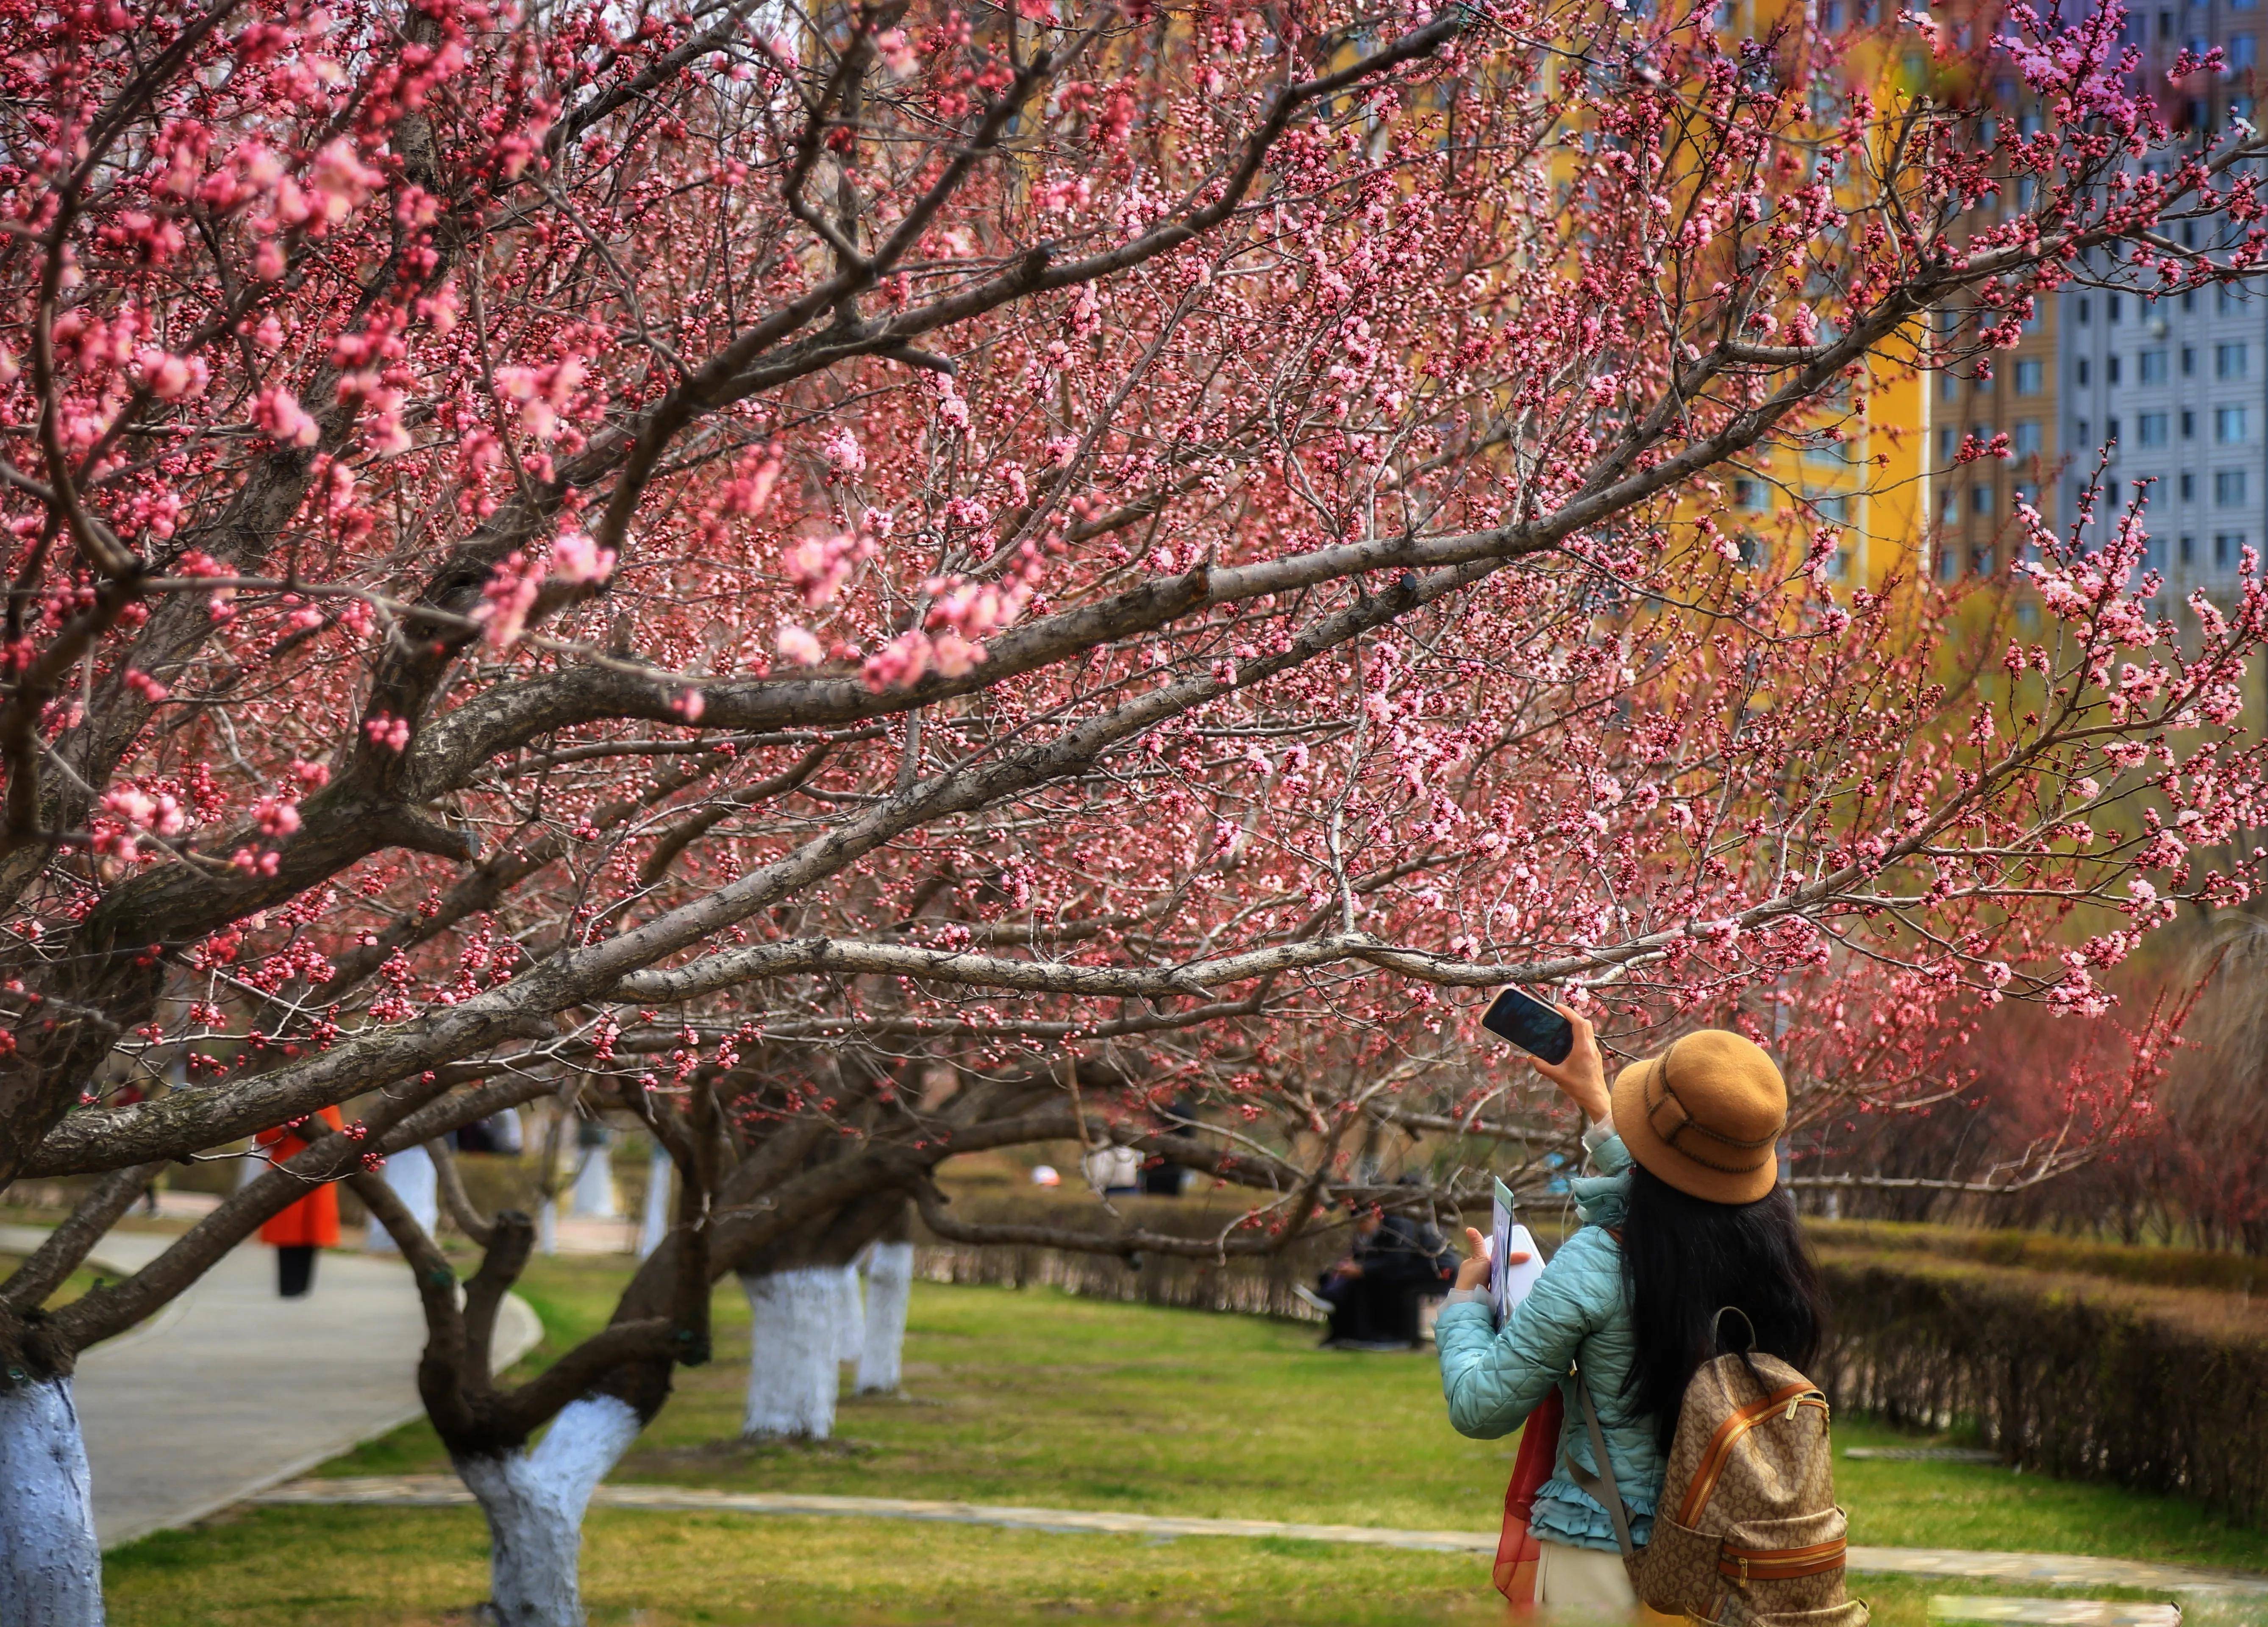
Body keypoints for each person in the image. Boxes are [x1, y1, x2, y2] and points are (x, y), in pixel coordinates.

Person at [1436, 1010, 1826, 1615]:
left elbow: (1480, 1406)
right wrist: (1595, 1099)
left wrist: (1465, 1303)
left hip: (1607, 1551)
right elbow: (1676, 1197)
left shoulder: (1597, 1261)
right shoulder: (1769, 1249)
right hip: (1729, 1548)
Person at [1300, 1202, 1456, 1349]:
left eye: (1362, 1223)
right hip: (1412, 1269)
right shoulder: (1382, 1229)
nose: (1360, 1229)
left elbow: (1398, 1259)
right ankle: (1343, 1327)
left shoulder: (1398, 1225)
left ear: (1373, 1217)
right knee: (1360, 1281)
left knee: (1374, 1283)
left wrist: (1364, 1270)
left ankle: (1384, 1335)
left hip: (1435, 1271)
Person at [255, 1105, 345, 1297]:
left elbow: (338, 1140)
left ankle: (303, 1285)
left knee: (312, 1234)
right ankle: (288, 1285)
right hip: (286, 1171)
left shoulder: (328, 1107)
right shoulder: (281, 1107)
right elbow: (263, 1138)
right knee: (287, 1234)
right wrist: (283, 1129)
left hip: (317, 1175)